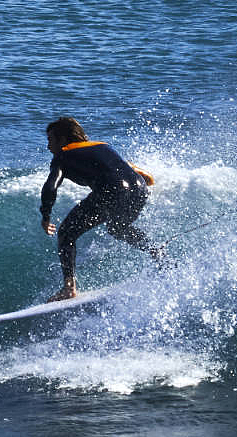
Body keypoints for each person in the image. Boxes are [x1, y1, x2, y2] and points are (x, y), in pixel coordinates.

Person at [39, 117, 162, 302]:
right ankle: (157, 252)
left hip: (111, 192)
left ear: (63, 140)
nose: (48, 146)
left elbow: (51, 186)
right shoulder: (103, 146)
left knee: (66, 233)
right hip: (139, 190)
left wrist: (46, 214)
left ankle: (69, 288)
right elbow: (135, 171)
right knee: (117, 228)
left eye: (50, 140)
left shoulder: (63, 155)